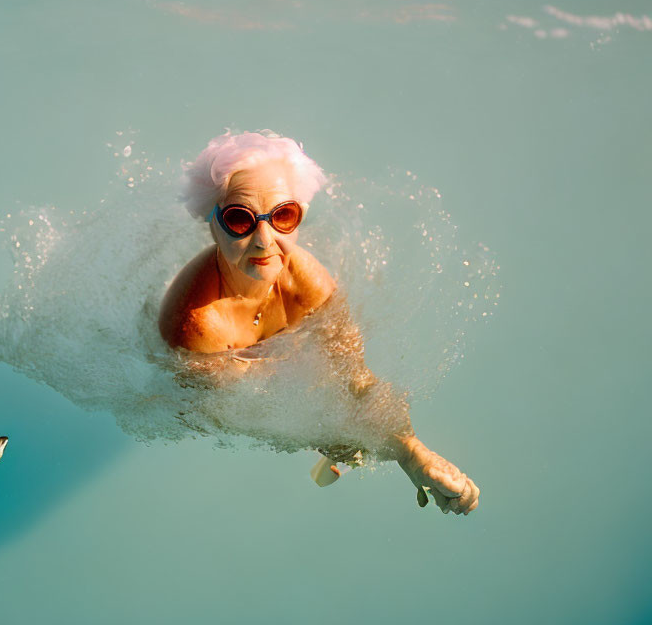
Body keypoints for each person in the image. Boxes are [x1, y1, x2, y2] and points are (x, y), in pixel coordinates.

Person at [158, 131, 479, 515]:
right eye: (240, 219)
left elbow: (356, 378)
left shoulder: (308, 282)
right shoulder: (197, 326)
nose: (265, 240)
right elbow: (240, 415)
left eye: (282, 216)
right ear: (211, 223)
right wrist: (326, 433)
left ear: (299, 218)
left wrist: (413, 453)